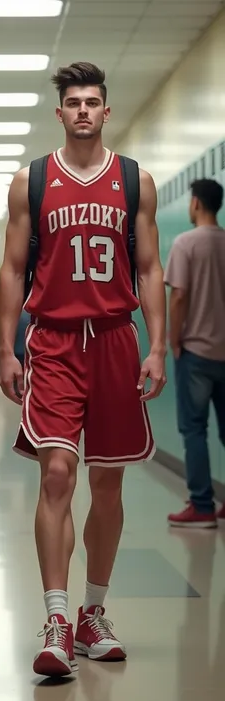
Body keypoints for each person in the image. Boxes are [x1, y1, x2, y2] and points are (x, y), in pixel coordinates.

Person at [0, 62, 166, 677]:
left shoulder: (134, 180)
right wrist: (8, 347)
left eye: (94, 101)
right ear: (60, 111)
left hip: (117, 340)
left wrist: (157, 345)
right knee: (58, 475)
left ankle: (94, 612)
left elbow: (149, 268)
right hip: (56, 342)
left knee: (108, 483)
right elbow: (13, 270)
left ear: (107, 110)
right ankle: (56, 617)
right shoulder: (32, 181)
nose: (84, 111)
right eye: (74, 102)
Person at [165, 179, 225, 528]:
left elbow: (179, 296)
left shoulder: (186, 243)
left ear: (197, 203)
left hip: (197, 352)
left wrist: (174, 339)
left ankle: (202, 506)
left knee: (194, 430)